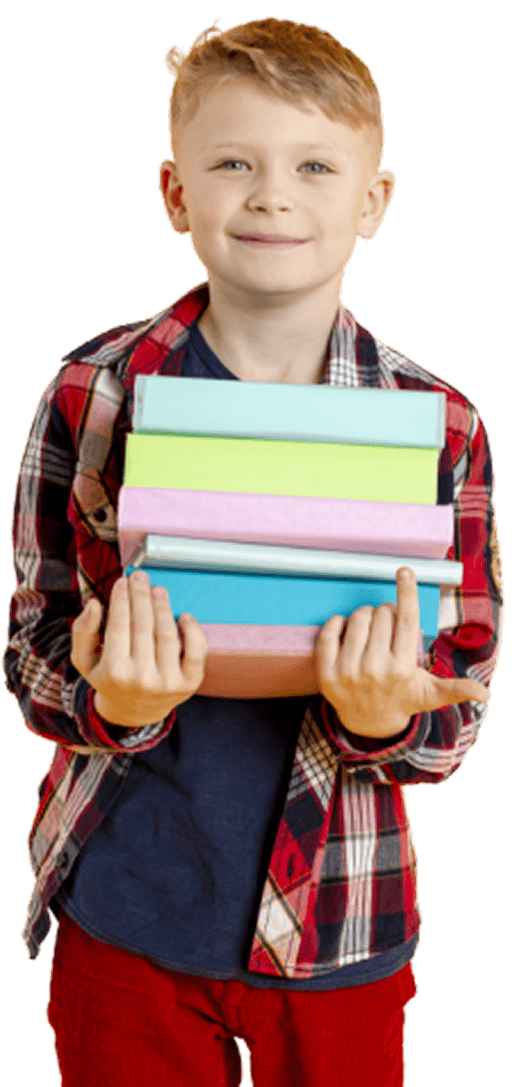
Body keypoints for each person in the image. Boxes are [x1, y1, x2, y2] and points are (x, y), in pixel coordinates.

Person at [3, 16, 503, 1087]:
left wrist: (385, 714)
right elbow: (30, 644)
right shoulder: (90, 392)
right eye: (232, 162)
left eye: (314, 166)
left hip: (338, 919)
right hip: (122, 910)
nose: (272, 195)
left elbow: (459, 695)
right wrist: (112, 700)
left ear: (371, 203)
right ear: (176, 194)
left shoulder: (441, 423)